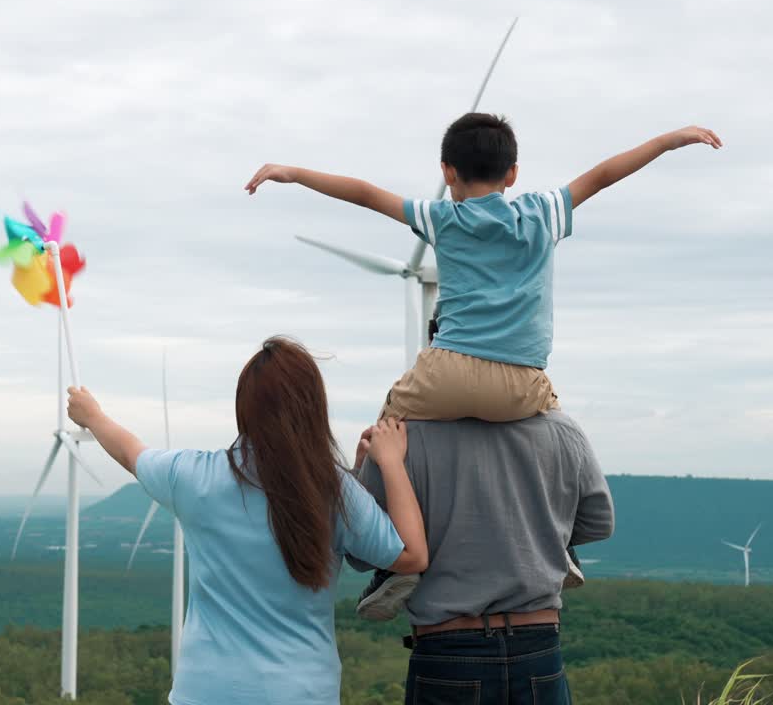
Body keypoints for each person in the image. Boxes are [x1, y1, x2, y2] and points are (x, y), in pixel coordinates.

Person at [245, 113, 722, 423]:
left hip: (447, 372)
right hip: (522, 381)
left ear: (447, 171)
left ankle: (375, 536)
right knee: (561, 437)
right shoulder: (542, 214)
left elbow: (366, 193)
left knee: (386, 429)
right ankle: (567, 539)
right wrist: (668, 140)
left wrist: (294, 173)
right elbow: (603, 175)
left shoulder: (443, 218)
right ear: (512, 173)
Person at [66, 336, 429, 705]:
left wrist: (92, 415)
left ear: (244, 408)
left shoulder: (196, 477)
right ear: (312, 407)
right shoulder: (333, 491)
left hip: (205, 692)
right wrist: (390, 462)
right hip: (301, 693)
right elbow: (411, 555)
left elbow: (131, 452)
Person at [349, 414, 614, 704]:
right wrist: (540, 534)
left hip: (448, 650)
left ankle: (391, 579)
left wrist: (360, 472)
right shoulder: (562, 429)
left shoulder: (399, 436)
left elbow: (360, 551)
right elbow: (598, 523)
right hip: (539, 644)